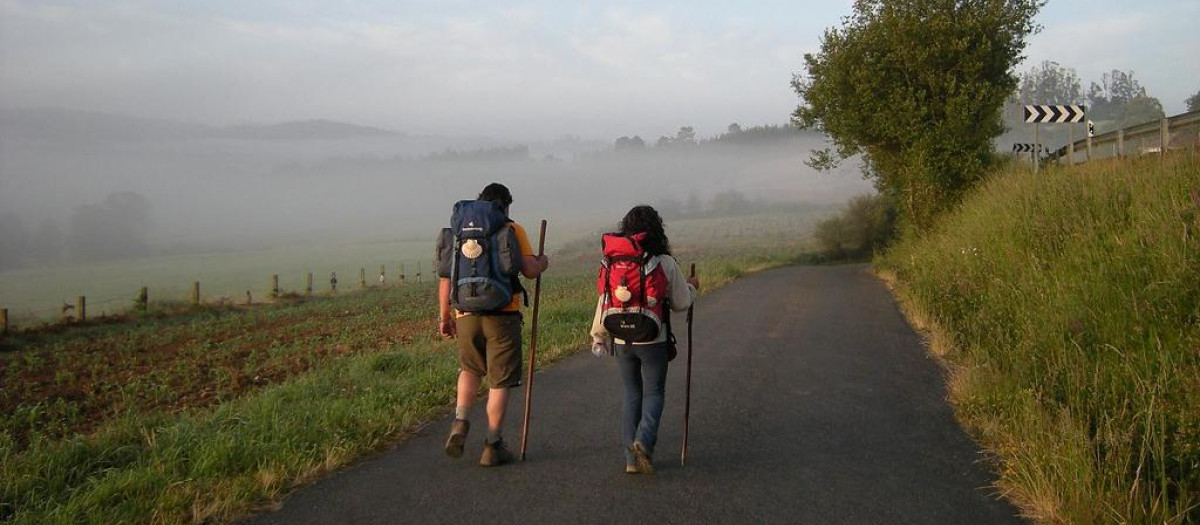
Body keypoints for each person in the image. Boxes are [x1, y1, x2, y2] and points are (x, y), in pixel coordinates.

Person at [438, 183, 549, 466]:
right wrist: (543, 262)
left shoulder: (460, 232)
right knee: (499, 380)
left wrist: (445, 316)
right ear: (505, 205)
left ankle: (461, 421)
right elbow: (529, 270)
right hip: (502, 315)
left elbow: (446, 277)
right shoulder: (512, 228)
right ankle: (492, 444)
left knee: (470, 369)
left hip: (465, 315)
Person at [590, 205, 699, 474]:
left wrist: (598, 335)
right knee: (654, 392)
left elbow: (604, 302)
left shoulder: (613, 261)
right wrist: (692, 287)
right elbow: (681, 303)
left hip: (621, 340)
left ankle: (630, 460)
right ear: (657, 230)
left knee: (631, 394)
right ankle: (644, 440)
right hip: (653, 339)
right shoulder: (664, 262)